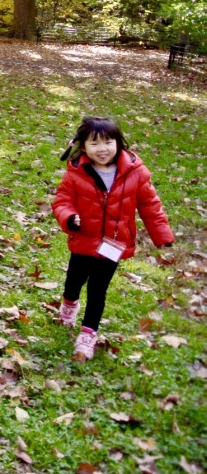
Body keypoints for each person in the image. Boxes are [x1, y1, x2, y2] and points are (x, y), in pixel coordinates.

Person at [51, 116, 173, 361]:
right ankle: (69, 306)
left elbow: (150, 205)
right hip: (84, 241)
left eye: (108, 142)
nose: (102, 149)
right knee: (74, 282)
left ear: (119, 143)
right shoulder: (76, 173)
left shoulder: (135, 173)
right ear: (83, 147)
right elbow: (62, 201)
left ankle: (88, 334)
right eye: (94, 143)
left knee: (98, 289)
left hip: (114, 246)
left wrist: (162, 235)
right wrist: (70, 217)